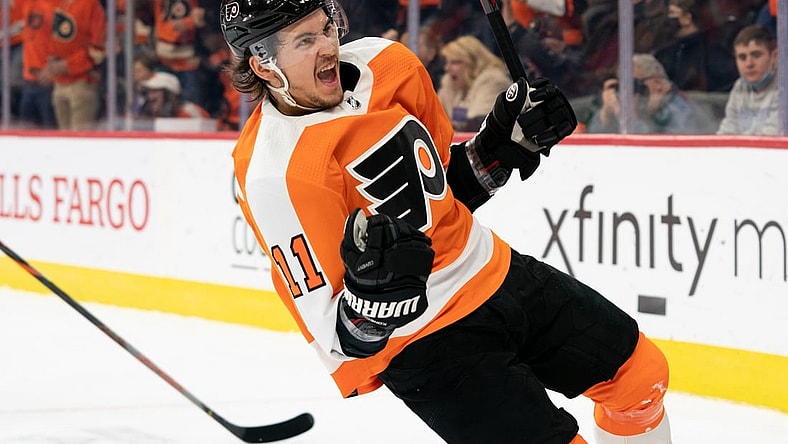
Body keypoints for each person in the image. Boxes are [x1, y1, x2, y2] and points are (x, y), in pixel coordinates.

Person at [219, 1, 672, 443]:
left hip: (493, 269)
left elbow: (443, 189)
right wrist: (373, 300)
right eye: (304, 41)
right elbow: (341, 336)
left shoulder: (388, 63)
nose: (328, 47)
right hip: (427, 344)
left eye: (325, 28)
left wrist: (501, 144)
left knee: (641, 378)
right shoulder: (274, 176)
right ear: (263, 66)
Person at [587, 53, 716, 134]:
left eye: (635, 83)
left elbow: (659, 151)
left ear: (658, 82)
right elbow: (594, 140)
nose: (630, 90)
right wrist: (606, 113)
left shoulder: (677, 107)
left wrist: (635, 118)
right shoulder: (622, 104)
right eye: (624, 83)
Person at [38, 0, 107, 130]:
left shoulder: (91, 5)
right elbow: (54, 40)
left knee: (79, 142)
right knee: (64, 141)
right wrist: (51, 65)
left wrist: (65, 65)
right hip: (59, 83)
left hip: (82, 83)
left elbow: (98, 51)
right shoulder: (58, 4)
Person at [437, 35, 511, 132]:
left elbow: (474, 123)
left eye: (455, 62)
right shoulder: (451, 83)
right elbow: (435, 117)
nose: (447, 68)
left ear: (473, 62)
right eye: (447, 62)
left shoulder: (492, 80)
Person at [716, 24, 779, 135]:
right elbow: (727, 131)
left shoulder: (784, 87)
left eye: (756, 55)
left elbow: (772, 139)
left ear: (774, 56)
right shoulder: (739, 86)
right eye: (742, 57)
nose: (749, 64)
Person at [654, 0, 709, 92]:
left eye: (672, 13)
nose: (668, 19)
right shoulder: (667, 49)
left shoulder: (706, 48)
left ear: (687, 18)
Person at [138, 70, 209, 119]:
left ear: (169, 95)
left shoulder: (189, 112)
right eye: (148, 91)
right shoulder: (148, 115)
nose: (150, 96)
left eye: (155, 91)